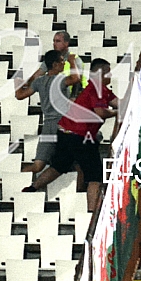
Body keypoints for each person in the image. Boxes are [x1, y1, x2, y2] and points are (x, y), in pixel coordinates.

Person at [23, 59, 119, 212]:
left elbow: (118, 103)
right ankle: (92, 214)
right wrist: (118, 113)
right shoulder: (97, 89)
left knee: (59, 165)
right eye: (108, 71)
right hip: (79, 136)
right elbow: (101, 112)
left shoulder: (101, 89)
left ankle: (32, 188)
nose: (111, 75)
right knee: (95, 176)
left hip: (65, 132)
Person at [15, 49, 82, 178]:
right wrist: (73, 62)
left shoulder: (39, 82)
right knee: (77, 162)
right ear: (55, 64)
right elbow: (76, 78)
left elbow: (20, 95)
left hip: (48, 127)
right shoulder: (60, 80)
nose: (64, 64)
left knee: (37, 165)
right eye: (62, 62)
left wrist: (18, 83)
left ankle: (17, 181)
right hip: (63, 126)